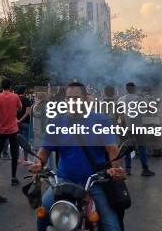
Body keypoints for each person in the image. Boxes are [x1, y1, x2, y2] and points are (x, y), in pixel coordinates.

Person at [32, 82, 126, 231]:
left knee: (111, 225)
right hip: (63, 181)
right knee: (42, 214)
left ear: (85, 99)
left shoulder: (100, 120)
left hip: (94, 183)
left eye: (76, 98)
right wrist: (38, 164)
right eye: (69, 98)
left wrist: (115, 170)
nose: (72, 102)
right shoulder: (57, 122)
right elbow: (44, 151)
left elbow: (112, 149)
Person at [117, 82, 154, 177]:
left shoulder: (121, 99)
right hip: (138, 127)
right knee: (142, 148)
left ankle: (128, 169)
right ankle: (145, 169)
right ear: (134, 89)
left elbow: (118, 113)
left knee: (128, 148)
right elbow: (149, 109)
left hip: (127, 128)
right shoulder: (139, 99)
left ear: (126, 89)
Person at [0, 78, 22, 185]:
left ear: (2, 86)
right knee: (15, 155)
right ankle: (13, 177)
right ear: (10, 86)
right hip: (13, 129)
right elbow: (20, 108)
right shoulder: (16, 96)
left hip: (0, 129)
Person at [16, 86, 32, 164]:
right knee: (25, 141)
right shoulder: (26, 100)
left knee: (17, 141)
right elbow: (27, 112)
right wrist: (21, 120)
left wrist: (17, 120)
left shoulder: (14, 99)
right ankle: (25, 159)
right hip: (25, 122)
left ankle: (17, 158)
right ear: (24, 91)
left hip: (16, 123)